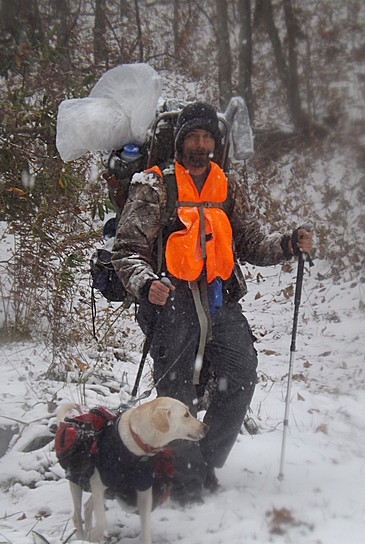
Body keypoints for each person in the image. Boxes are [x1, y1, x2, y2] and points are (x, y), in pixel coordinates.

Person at [112, 101, 313, 505]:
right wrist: (147, 283)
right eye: (193, 136)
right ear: (180, 141)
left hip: (219, 298)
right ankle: (183, 482)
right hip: (172, 299)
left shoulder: (227, 186)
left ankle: (202, 464)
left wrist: (288, 244)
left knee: (241, 375)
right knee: (176, 393)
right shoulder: (154, 186)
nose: (201, 144)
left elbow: (251, 242)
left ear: (215, 143)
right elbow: (126, 250)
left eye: (207, 137)